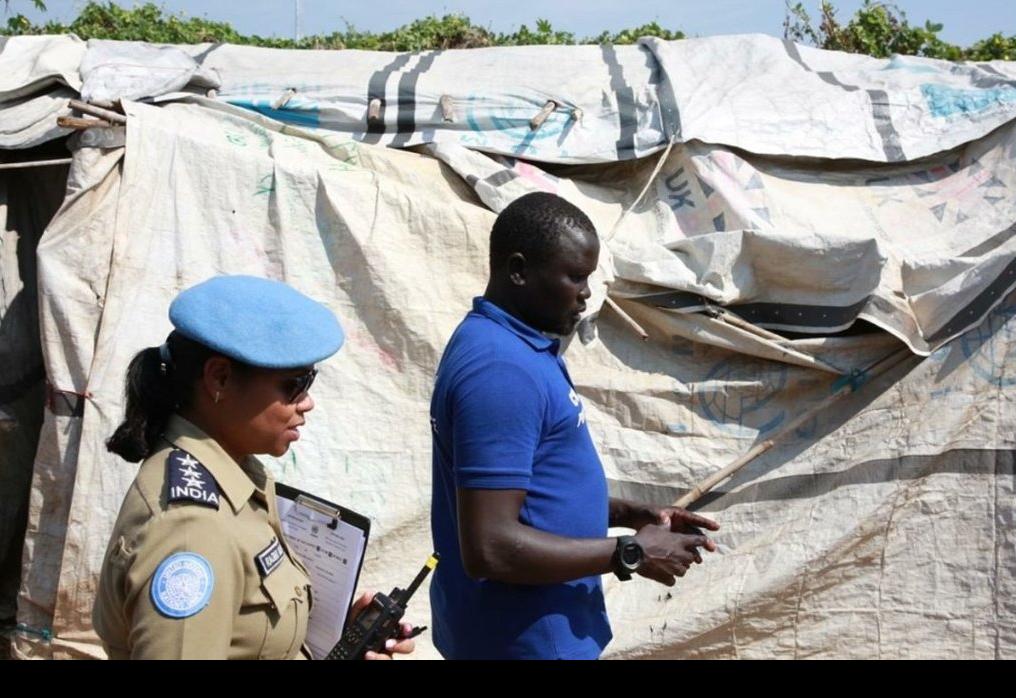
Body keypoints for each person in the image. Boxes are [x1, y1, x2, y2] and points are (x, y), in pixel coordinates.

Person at [429, 192, 720, 660]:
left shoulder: (514, 344)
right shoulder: (501, 371)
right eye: (576, 276)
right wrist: (630, 552)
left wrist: (629, 514)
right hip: (526, 640)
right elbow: (490, 547)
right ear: (519, 271)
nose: (586, 292)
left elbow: (532, 497)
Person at [93, 274, 415, 660]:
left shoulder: (237, 474)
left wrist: (343, 643)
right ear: (220, 378)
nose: (307, 402)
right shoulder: (192, 531)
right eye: (294, 384)